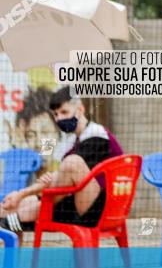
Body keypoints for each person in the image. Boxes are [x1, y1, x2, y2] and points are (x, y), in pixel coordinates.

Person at [0, 86, 124, 233]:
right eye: (56, 115)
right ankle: (12, 234)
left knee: (71, 164)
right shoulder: (71, 142)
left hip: (101, 209)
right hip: (76, 201)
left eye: (64, 112)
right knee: (11, 207)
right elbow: (61, 180)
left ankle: (17, 219)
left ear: (80, 109)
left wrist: (23, 193)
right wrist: (23, 195)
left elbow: (64, 178)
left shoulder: (97, 136)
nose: (60, 118)